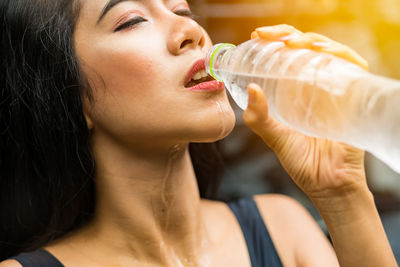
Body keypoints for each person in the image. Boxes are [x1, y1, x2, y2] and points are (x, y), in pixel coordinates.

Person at [0, 0, 396, 266]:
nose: (189, 31)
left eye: (181, 9)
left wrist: (341, 195)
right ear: (70, 94)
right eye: (132, 20)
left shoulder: (281, 226)